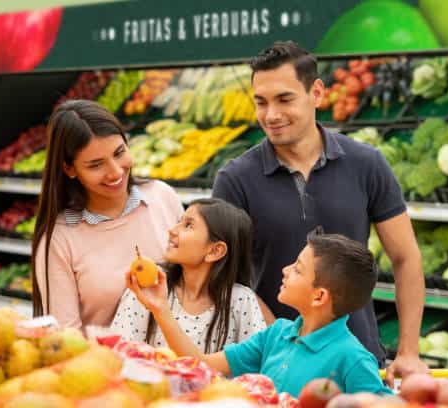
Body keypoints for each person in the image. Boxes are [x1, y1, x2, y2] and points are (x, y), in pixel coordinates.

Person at [212, 41, 427, 385]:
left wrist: (409, 352)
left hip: (357, 358)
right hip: (273, 370)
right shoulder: (235, 179)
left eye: (284, 99)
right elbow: (229, 283)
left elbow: (406, 257)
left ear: (316, 92)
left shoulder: (367, 164)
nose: (271, 115)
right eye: (261, 102)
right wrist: (283, 347)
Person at [128, 232, 391, 396]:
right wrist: (159, 308)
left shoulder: (353, 359)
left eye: (298, 269)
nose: (285, 270)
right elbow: (199, 363)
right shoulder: (277, 334)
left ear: (319, 296)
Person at [31, 99, 183, 329]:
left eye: (119, 152)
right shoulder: (59, 240)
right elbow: (66, 335)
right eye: (95, 165)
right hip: (111, 363)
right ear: (69, 169)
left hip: (182, 360)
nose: (115, 171)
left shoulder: (162, 197)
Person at [111, 198, 273, 352]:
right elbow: (119, 353)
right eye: (179, 221)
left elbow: (255, 365)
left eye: (188, 225)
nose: (172, 230)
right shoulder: (147, 291)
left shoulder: (241, 301)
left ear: (215, 250)